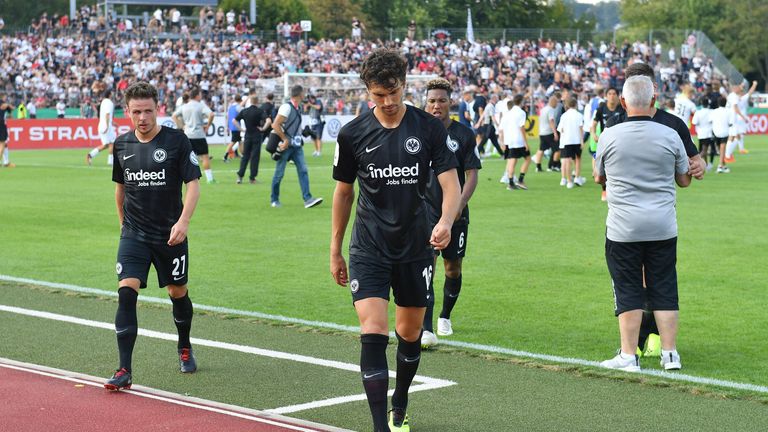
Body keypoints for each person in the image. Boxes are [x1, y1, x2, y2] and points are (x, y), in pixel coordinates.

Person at [330, 49, 461, 432]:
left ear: (405, 85)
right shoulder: (352, 133)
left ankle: (399, 402)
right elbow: (343, 193)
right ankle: (379, 427)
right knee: (373, 330)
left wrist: (446, 220)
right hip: (368, 246)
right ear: (367, 91)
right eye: (378, 95)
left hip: (416, 246)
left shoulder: (429, 129)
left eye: (394, 93)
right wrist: (335, 249)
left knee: (409, 332)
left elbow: (450, 185)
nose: (387, 103)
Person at [105, 81, 201, 391]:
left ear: (157, 109)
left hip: (170, 236)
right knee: (126, 292)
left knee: (177, 292)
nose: (142, 117)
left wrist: (184, 222)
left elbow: (194, 185)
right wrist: (124, 226)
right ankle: (124, 369)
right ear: (127, 112)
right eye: (136, 112)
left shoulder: (176, 141)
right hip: (133, 235)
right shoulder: (121, 145)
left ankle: (184, 346)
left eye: (148, 111)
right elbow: (120, 189)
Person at [595, 75, 691, 372]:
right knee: (664, 286)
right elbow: (684, 179)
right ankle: (670, 354)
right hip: (662, 224)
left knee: (628, 288)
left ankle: (628, 355)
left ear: (623, 103)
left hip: (624, 227)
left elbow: (600, 177)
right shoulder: (670, 134)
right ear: (653, 101)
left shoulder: (609, 135)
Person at [420, 78, 481, 347]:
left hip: (456, 215)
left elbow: (472, 176)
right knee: (426, 268)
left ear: (450, 103)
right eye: (432, 100)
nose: (436, 105)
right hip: (425, 212)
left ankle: (445, 316)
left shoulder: (464, 135)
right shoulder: (418, 133)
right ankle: (425, 327)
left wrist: (457, 207)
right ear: (426, 103)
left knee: (452, 268)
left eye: (441, 100)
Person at [269, 85, 323, 209]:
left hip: (297, 146)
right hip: (287, 146)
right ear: (299, 94)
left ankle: (308, 199)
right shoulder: (286, 107)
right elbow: (275, 125)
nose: (305, 95)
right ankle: (274, 199)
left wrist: (304, 132)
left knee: (303, 170)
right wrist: (284, 139)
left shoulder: (296, 107)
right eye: (303, 92)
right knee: (279, 173)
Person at [173, 87, 215, 184]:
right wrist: (208, 126)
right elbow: (211, 114)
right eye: (200, 94)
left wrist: (182, 126)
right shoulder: (200, 106)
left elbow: (174, 116)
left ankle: (186, 179)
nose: (201, 96)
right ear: (197, 96)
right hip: (199, 134)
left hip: (188, 135)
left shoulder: (184, 106)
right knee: (205, 157)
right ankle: (210, 179)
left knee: (186, 158)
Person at [590, 87, 625, 201]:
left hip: (620, 141)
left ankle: (619, 189)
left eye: (614, 93)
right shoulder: (601, 108)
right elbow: (594, 124)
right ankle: (604, 189)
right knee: (604, 166)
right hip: (605, 141)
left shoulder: (622, 108)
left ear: (618, 95)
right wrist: (594, 134)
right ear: (606, 96)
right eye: (609, 94)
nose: (612, 96)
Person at [498, 95, 530, 190]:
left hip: (509, 141)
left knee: (512, 160)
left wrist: (503, 142)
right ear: (521, 101)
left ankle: (511, 183)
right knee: (527, 159)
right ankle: (520, 180)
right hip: (518, 140)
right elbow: (522, 127)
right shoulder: (521, 113)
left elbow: (501, 130)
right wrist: (525, 142)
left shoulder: (507, 114)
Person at [235, 95, 268, 184]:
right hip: (257, 136)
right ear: (257, 102)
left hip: (247, 136)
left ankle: (240, 176)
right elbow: (268, 121)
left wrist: (241, 129)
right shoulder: (260, 111)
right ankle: (252, 178)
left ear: (250, 101)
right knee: (255, 157)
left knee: (245, 156)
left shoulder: (244, 111)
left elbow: (234, 120)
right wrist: (263, 128)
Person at [557, 97, 585, 189]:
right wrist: (582, 141)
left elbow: (560, 129)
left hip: (567, 141)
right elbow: (581, 129)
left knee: (568, 161)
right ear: (576, 104)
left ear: (567, 105)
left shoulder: (564, 116)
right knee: (577, 159)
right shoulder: (579, 115)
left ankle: (569, 181)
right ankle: (577, 177)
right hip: (577, 140)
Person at [86, 89, 116, 166]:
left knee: (106, 145)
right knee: (112, 143)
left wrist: (112, 122)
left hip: (101, 125)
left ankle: (90, 155)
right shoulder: (109, 102)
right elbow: (107, 114)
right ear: (109, 94)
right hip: (106, 126)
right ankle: (111, 161)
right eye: (111, 93)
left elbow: (104, 115)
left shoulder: (103, 102)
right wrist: (107, 125)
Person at [533, 95, 559, 172]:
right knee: (557, 150)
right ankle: (553, 166)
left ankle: (538, 166)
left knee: (541, 149)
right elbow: (551, 121)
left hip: (542, 132)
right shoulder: (551, 110)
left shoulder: (543, 109)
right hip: (549, 132)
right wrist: (555, 132)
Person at [691, 96, 714, 171]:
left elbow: (694, 122)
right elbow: (712, 121)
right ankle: (694, 161)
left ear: (701, 103)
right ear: (708, 104)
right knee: (704, 151)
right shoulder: (711, 112)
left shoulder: (698, 112)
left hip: (700, 134)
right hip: (708, 133)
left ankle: (706, 165)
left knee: (703, 149)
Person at [711, 96, 731, 173]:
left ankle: (723, 165)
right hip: (725, 132)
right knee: (722, 148)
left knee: (720, 148)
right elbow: (730, 123)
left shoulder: (714, 111)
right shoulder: (728, 111)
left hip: (716, 132)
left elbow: (710, 120)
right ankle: (720, 166)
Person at [223, 96, 244, 163]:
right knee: (233, 142)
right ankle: (225, 156)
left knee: (240, 142)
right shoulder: (238, 107)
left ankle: (244, 156)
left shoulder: (230, 107)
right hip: (236, 126)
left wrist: (227, 126)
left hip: (232, 126)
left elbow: (228, 117)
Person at [0, 94, 15, 168]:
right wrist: (8, 105)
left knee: (4, 144)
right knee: (2, 143)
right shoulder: (2, 103)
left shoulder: (5, 106)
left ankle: (6, 162)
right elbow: (4, 106)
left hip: (3, 124)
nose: (6, 98)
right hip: (1, 125)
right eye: (5, 97)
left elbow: (11, 110)